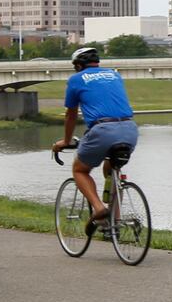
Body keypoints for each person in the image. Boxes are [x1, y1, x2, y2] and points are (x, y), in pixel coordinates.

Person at [51, 47, 137, 236]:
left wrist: (65, 141)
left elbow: (71, 115)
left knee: (80, 170)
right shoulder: (115, 75)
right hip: (130, 129)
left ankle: (99, 209)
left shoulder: (76, 79)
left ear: (78, 65)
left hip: (102, 130)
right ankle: (113, 221)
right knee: (111, 168)